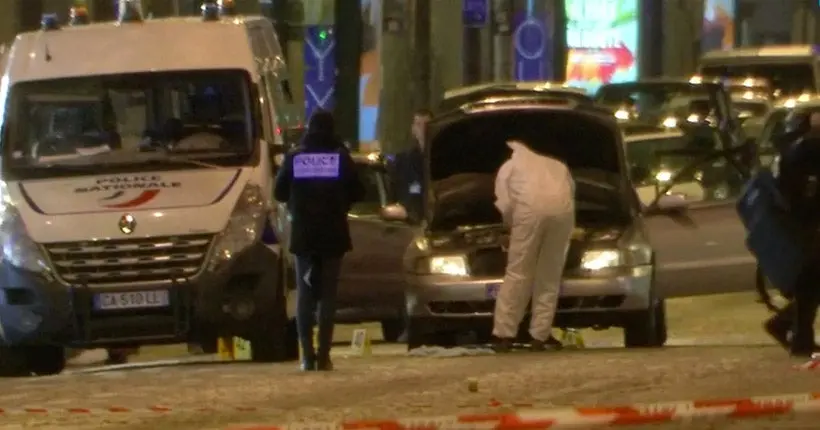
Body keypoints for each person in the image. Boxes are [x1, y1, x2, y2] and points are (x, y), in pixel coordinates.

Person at [274, 110, 365, 371]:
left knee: (305, 294)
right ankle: (324, 356)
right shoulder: (340, 157)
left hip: (304, 234)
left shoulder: (295, 157)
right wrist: (340, 201)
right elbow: (359, 190)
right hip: (333, 233)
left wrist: (298, 199)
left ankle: (306, 356)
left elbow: (279, 192)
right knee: (327, 295)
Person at [492, 140, 575, 352]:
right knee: (549, 275)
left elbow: (506, 204)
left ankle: (504, 335)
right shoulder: (557, 165)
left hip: (529, 214)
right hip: (563, 215)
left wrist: (509, 228)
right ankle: (540, 335)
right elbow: (570, 192)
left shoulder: (509, 167)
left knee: (518, 272)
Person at [763, 109, 820, 357]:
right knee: (811, 281)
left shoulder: (796, 149)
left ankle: (792, 329)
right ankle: (797, 334)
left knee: (812, 282)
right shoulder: (807, 150)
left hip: (803, 222)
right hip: (809, 223)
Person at [391, 108, 432, 222]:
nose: (423, 129)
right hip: (412, 220)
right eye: (418, 125)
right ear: (413, 129)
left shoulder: (441, 158)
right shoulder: (405, 160)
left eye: (427, 125)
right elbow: (402, 194)